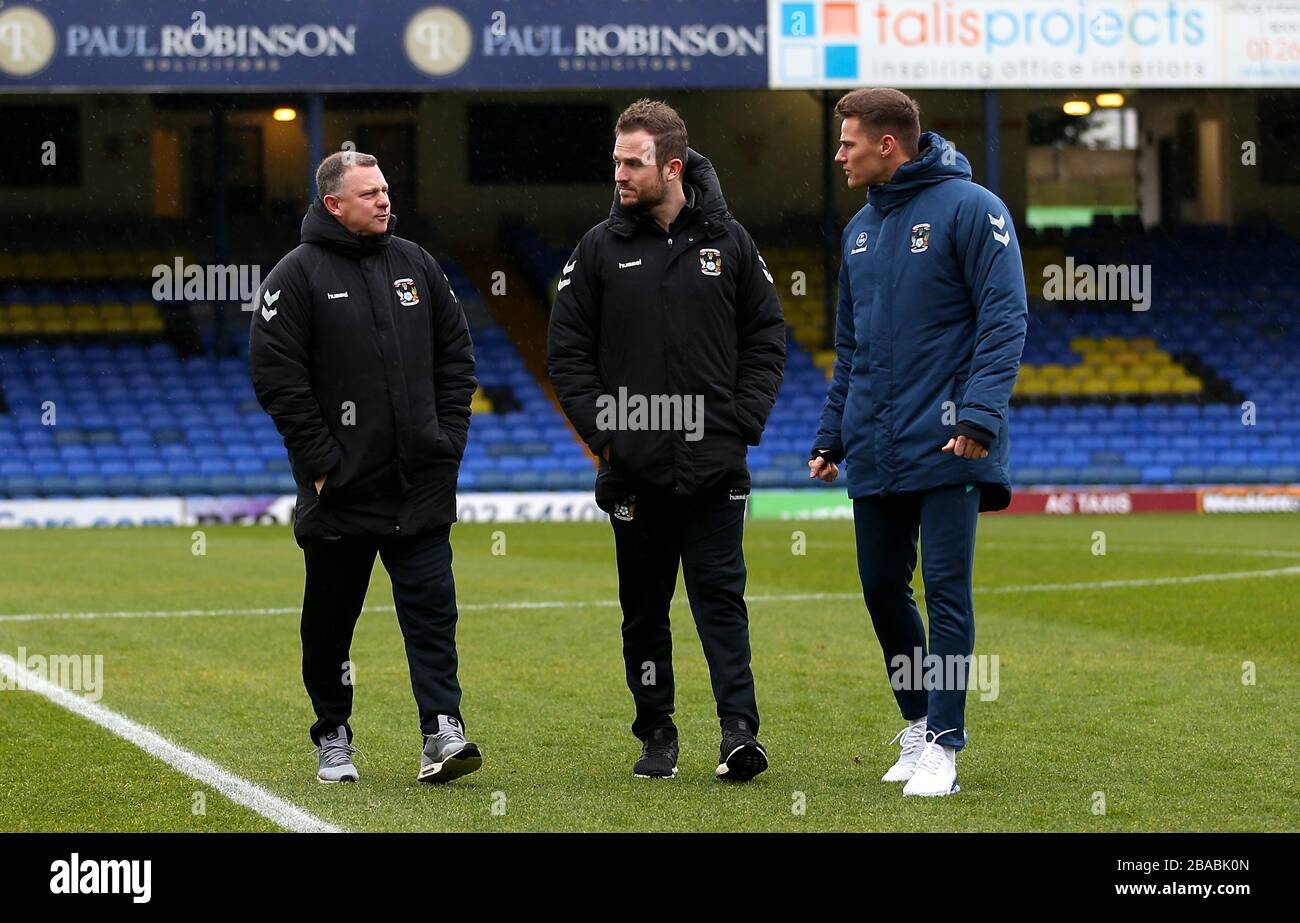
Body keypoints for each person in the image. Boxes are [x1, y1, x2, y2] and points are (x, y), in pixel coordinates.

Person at [548, 99, 786, 782]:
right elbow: (566, 353)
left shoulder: (732, 244)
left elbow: (766, 336)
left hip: (716, 467)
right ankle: (656, 732)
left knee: (723, 603)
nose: (618, 173)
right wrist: (609, 435)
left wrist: (743, 420)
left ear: (672, 166)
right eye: (616, 160)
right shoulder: (597, 249)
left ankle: (739, 732)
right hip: (635, 473)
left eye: (632, 161)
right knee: (643, 613)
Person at [809, 88, 1027, 797]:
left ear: (888, 144)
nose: (839, 154)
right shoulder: (860, 233)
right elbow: (851, 348)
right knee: (880, 589)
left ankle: (947, 743)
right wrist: (832, 433)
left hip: (949, 443)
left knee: (946, 591)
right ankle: (918, 722)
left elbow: (1004, 318)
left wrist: (978, 416)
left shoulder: (974, 208)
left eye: (848, 143)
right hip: (875, 441)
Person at [249, 150, 481, 785]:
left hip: (421, 487)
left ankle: (442, 730)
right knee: (329, 627)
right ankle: (334, 736)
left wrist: (447, 440)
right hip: (343, 494)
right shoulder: (294, 277)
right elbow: (277, 378)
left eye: (386, 188)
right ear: (334, 205)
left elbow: (457, 357)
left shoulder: (416, 265)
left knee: (433, 616)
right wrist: (325, 466)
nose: (385, 200)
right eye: (370, 193)